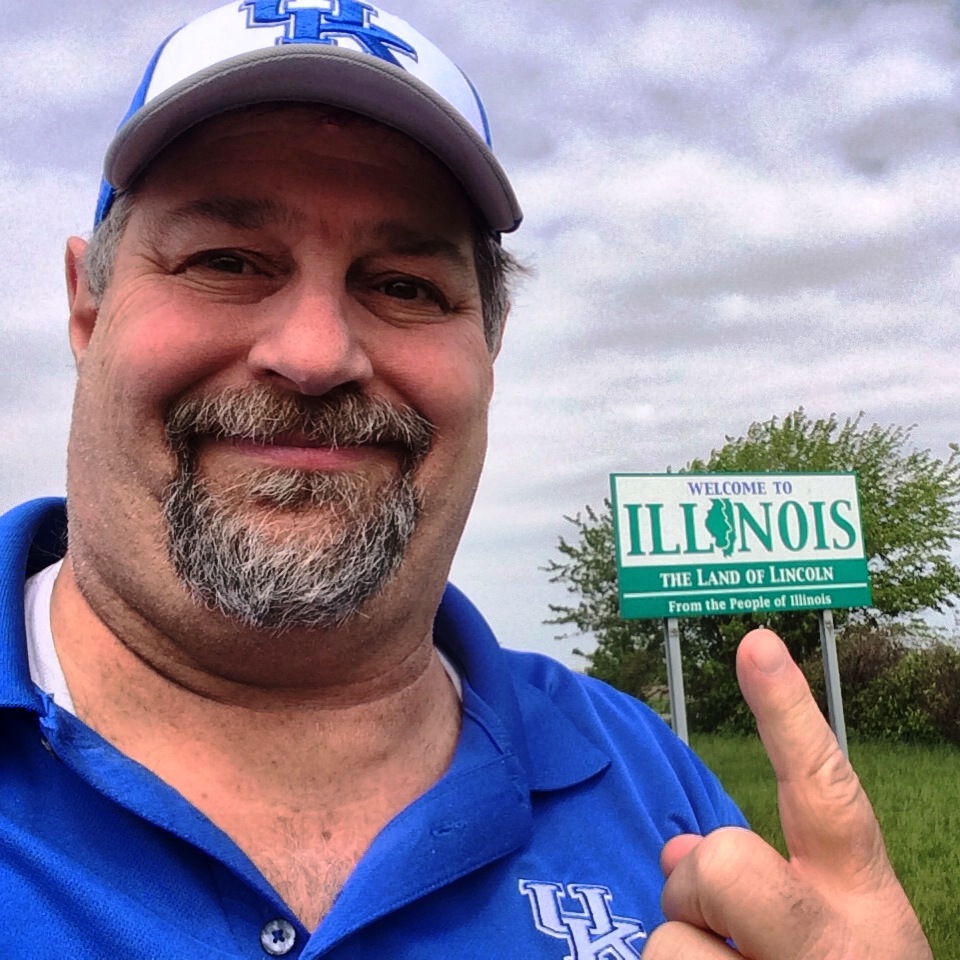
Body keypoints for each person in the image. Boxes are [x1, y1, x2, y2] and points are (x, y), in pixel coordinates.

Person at [0, 2, 930, 958]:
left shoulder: (645, 776)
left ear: (489, 349)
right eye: (225, 262)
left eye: (404, 285)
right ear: (87, 308)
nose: (314, 354)